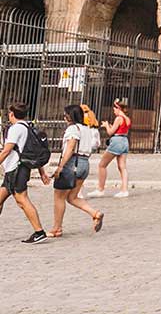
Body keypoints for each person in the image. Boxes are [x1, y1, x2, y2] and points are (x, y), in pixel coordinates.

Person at [48, 104, 104, 237]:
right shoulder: (87, 129)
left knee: (59, 196)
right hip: (84, 163)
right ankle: (95, 213)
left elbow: (70, 147)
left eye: (65, 115)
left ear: (69, 116)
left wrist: (60, 166)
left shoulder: (73, 129)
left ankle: (57, 228)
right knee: (72, 197)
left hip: (73, 163)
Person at [0, 102, 50, 244]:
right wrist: (42, 172)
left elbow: (6, 150)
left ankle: (39, 231)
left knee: (22, 200)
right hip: (16, 169)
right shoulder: (28, 127)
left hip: (16, 169)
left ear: (11, 114)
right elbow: (32, 151)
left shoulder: (16, 129)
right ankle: (39, 231)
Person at [89, 99, 131, 198]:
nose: (114, 111)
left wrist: (107, 125)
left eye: (114, 109)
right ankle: (124, 190)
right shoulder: (127, 119)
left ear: (118, 108)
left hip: (116, 142)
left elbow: (110, 132)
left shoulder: (118, 118)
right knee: (122, 167)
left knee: (102, 165)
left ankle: (100, 189)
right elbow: (121, 130)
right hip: (124, 141)